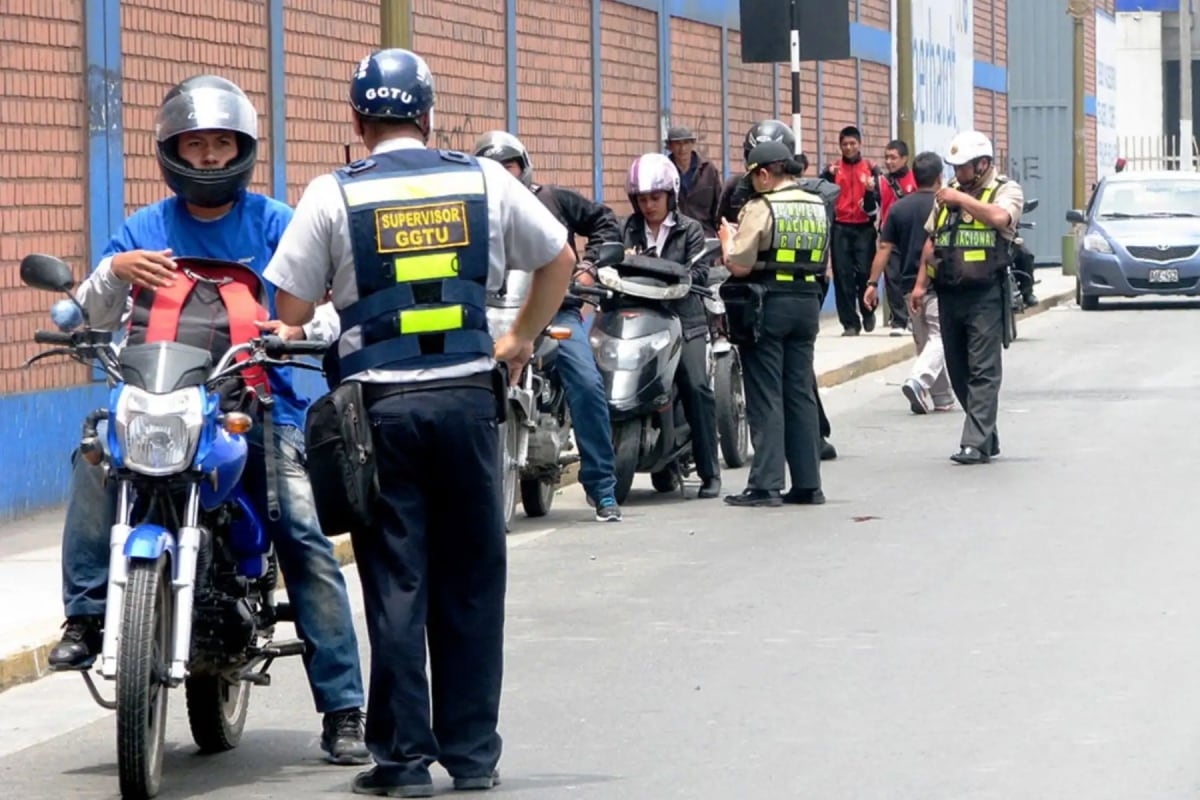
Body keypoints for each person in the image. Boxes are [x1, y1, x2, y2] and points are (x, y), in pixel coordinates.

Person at [264, 48, 576, 796]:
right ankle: (473, 757)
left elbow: (290, 312)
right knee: (471, 577)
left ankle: (402, 762)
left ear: (357, 119)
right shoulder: (483, 178)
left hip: (380, 414)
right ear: (428, 114)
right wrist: (522, 336)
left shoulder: (333, 194)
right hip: (471, 400)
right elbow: (560, 259)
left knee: (396, 581)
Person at [49, 75, 369, 764]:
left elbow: (333, 300)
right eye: (195, 145)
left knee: (303, 534)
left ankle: (344, 706)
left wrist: (306, 322)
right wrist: (113, 273)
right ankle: (85, 614)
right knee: (92, 460)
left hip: (257, 404)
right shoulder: (142, 228)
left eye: (222, 145)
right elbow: (81, 313)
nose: (209, 158)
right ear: (171, 151)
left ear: (243, 150)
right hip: (158, 401)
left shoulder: (277, 224)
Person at [472, 130, 624, 521]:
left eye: (510, 166)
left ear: (524, 166)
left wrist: (589, 268)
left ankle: (603, 488)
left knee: (587, 383)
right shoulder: (474, 211)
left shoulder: (551, 199)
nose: (504, 175)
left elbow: (605, 222)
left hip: (556, 311)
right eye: (493, 168)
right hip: (494, 315)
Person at [718, 119, 838, 461]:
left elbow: (738, 260)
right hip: (806, 299)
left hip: (764, 299)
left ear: (766, 172)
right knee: (799, 388)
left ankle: (767, 481)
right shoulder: (817, 201)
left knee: (766, 391)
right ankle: (807, 479)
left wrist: (730, 240)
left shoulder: (761, 203)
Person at [910, 130, 1024, 464]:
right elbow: (932, 242)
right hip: (949, 293)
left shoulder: (1004, 190)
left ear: (983, 164)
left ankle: (973, 442)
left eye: (963, 168)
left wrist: (961, 200)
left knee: (983, 369)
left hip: (986, 293)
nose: (957, 174)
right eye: (955, 168)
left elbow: (1002, 218)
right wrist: (920, 285)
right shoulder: (947, 198)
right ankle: (986, 432)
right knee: (959, 369)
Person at [620, 153, 721, 498]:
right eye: (642, 199)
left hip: (684, 320)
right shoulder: (627, 229)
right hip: (638, 318)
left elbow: (699, 269)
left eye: (655, 198)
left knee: (695, 386)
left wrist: (678, 273)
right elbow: (610, 260)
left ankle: (710, 471)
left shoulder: (690, 230)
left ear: (671, 196)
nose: (648, 205)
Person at [865, 151, 953, 414]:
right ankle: (918, 380)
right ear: (940, 177)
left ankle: (943, 398)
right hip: (938, 283)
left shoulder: (899, 209)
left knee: (925, 341)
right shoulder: (946, 206)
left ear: (914, 176)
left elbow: (884, 248)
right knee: (940, 337)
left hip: (906, 285)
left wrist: (871, 283)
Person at [821, 125, 880, 336]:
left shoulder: (871, 169)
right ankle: (849, 323)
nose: (848, 148)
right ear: (840, 146)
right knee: (842, 275)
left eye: (852, 143)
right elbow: (820, 189)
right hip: (841, 227)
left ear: (860, 144)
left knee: (864, 273)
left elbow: (881, 197)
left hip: (864, 228)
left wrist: (873, 189)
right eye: (844, 144)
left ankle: (868, 311)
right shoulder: (834, 169)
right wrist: (826, 174)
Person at [878, 139, 918, 335]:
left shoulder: (915, 180)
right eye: (886, 157)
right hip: (890, 235)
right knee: (892, 278)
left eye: (893, 157)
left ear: (904, 158)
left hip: (911, 235)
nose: (889, 162)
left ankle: (913, 317)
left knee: (910, 276)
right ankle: (899, 320)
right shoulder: (881, 182)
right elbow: (870, 208)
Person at [665, 125, 723, 236]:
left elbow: (718, 209)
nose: (683, 149)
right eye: (678, 144)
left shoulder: (708, 170)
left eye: (686, 143)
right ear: (670, 146)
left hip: (704, 235)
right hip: (674, 236)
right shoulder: (663, 170)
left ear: (692, 144)